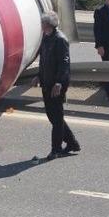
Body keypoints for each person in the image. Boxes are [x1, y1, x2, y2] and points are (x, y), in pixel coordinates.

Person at [32, 11, 80, 160]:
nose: (40, 25)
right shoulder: (46, 38)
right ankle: (72, 143)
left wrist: (59, 83)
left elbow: (64, 64)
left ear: (47, 25)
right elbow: (43, 60)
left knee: (57, 118)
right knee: (53, 117)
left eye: (42, 23)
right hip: (47, 83)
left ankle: (56, 149)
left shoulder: (60, 40)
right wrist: (38, 76)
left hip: (57, 84)